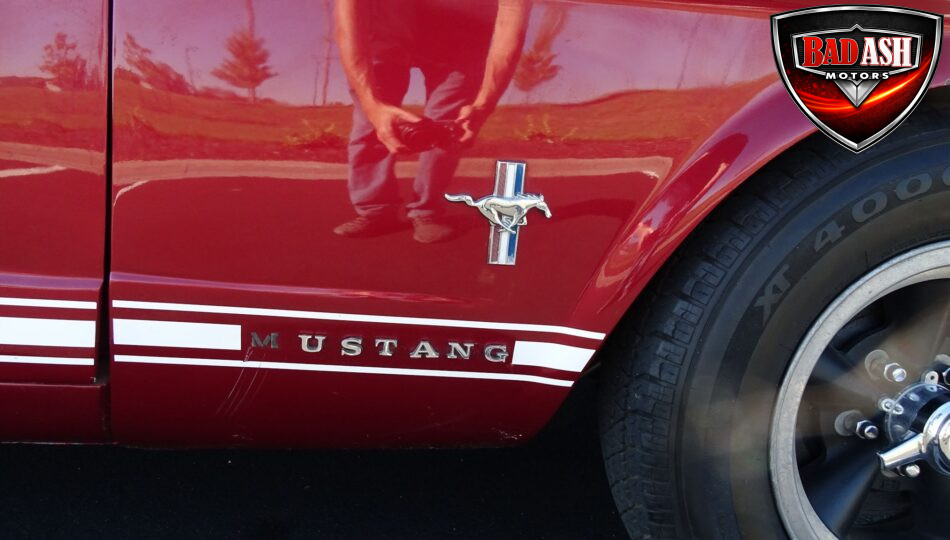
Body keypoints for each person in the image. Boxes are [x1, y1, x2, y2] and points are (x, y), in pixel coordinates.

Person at [333, 0, 530, 243]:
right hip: (386, 28)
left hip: (460, 37)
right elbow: (348, 23)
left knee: (451, 125)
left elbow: (511, 22)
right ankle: (375, 210)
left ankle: (426, 210)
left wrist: (483, 105)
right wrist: (372, 106)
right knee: (371, 123)